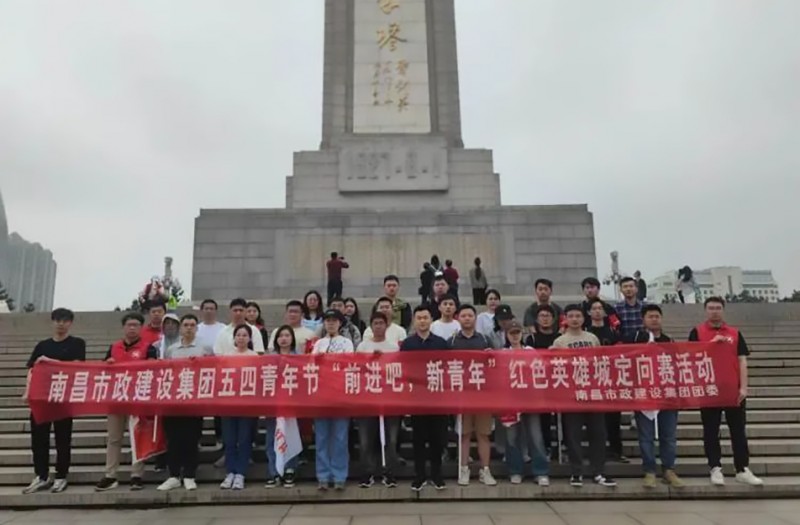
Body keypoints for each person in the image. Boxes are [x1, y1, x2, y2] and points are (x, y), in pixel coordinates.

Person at [689, 297, 763, 486]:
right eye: (711, 308)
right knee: (711, 431)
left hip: (733, 390)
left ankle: (742, 469)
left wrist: (743, 387)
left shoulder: (734, 333)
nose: (714, 311)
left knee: (738, 431)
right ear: (705, 310)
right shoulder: (697, 332)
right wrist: (711, 344)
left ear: (723, 310)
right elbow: (691, 357)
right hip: (710, 390)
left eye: (718, 308)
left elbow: (742, 360)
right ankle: (715, 468)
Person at [22, 308, 86, 494]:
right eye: (58, 320)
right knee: (38, 439)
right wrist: (27, 392)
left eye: (65, 320)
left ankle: (61, 476)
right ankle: (41, 476)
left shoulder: (77, 343)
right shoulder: (42, 345)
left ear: (70, 323)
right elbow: (32, 370)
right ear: (52, 322)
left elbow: (77, 366)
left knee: (62, 439)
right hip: (41, 398)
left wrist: (50, 361)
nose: (61, 324)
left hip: (62, 397)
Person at [552, 305, 616, 488]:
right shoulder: (560, 341)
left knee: (598, 433)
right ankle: (576, 471)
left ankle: (598, 471)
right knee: (573, 435)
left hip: (593, 393)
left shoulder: (592, 338)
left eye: (578, 316)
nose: (574, 319)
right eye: (571, 316)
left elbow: (600, 362)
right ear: (565, 319)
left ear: (583, 318)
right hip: (571, 395)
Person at [95, 313, 158, 492]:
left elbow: (153, 369)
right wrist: (107, 363)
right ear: (123, 327)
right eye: (129, 325)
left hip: (137, 399)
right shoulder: (114, 347)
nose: (132, 328)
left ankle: (136, 475)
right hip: (116, 398)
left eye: (136, 325)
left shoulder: (148, 348)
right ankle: (110, 475)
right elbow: (102, 370)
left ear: (141, 328)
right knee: (114, 438)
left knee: (137, 438)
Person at [625, 305, 684, 488]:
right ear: (643, 320)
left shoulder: (669, 340)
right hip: (644, 394)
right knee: (646, 436)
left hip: (667, 394)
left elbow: (677, 364)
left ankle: (669, 470)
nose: (654, 319)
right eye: (650, 316)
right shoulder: (636, 338)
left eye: (657, 316)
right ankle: (649, 471)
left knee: (669, 436)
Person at [157, 314, 213, 492]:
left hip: (194, 400)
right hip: (174, 400)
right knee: (173, 439)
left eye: (192, 325)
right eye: (186, 325)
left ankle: (189, 475)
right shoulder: (172, 349)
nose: (189, 328)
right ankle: (173, 475)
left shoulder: (205, 347)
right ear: (181, 328)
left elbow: (212, 370)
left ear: (196, 328)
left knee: (191, 439)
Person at [400, 305, 449, 491]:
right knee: (419, 439)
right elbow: (402, 369)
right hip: (417, 399)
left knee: (438, 439)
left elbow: (448, 368)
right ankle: (419, 475)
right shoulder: (407, 344)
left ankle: (437, 475)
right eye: (419, 318)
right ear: (414, 321)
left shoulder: (441, 343)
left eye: (425, 318)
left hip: (438, 398)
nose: (422, 321)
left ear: (431, 320)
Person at [451, 305, 496, 487]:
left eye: (470, 315)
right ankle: (464, 469)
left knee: (483, 434)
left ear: (475, 318)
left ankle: (485, 470)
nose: (467, 318)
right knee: (464, 434)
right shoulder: (452, 341)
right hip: (462, 395)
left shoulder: (484, 339)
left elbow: (495, 363)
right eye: (463, 316)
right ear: (458, 318)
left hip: (482, 395)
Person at [355, 312, 401, 488]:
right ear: (371, 326)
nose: (379, 326)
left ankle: (389, 473)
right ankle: (367, 473)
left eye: (382, 323)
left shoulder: (393, 347)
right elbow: (356, 370)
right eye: (375, 323)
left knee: (391, 439)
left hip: (389, 399)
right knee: (366, 440)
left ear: (386, 325)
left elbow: (398, 372)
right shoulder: (363, 346)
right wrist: (370, 360)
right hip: (367, 399)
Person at [503, 320, 550, 486]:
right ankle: (515, 470)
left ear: (522, 334)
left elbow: (541, 370)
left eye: (517, 333)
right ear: (507, 335)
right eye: (511, 333)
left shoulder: (530, 351)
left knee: (535, 436)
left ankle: (541, 471)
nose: (515, 336)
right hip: (510, 402)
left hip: (531, 400)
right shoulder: (502, 353)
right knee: (512, 438)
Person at [312, 309, 355, 490]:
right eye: (327, 320)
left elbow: (349, 364)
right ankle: (323, 475)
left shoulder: (346, 343)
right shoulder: (319, 343)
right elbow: (311, 367)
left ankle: (339, 475)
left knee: (340, 438)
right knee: (322, 437)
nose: (330, 323)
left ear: (340, 323)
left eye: (334, 320)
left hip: (340, 395)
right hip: (321, 395)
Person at [586, 299, 627, 464]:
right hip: (590, 380)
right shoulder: (585, 332)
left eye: (599, 308)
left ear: (604, 312)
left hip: (610, 379)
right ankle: (597, 452)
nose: (597, 311)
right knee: (595, 420)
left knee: (613, 418)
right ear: (589, 312)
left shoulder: (613, 332)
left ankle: (616, 450)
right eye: (594, 308)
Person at [219, 325, 258, 490]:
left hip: (247, 404)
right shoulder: (226, 356)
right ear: (234, 338)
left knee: (244, 439)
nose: (241, 338)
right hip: (229, 403)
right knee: (229, 440)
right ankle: (230, 472)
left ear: (249, 338)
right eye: (238, 335)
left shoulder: (254, 356)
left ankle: (240, 473)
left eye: (245, 335)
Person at [264, 325, 300, 488]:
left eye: (287, 335)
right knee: (272, 437)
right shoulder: (270, 358)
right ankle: (274, 472)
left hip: (292, 404)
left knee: (291, 436)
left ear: (292, 339)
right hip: (273, 404)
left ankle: (290, 469)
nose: (284, 339)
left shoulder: (299, 358)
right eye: (281, 336)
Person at [524, 305, 561, 457]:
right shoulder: (531, 339)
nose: (545, 319)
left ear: (553, 319)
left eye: (548, 316)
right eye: (542, 316)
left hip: (558, 380)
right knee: (543, 417)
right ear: (537, 319)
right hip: (539, 382)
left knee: (560, 417)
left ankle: (561, 446)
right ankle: (545, 446)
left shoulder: (560, 338)